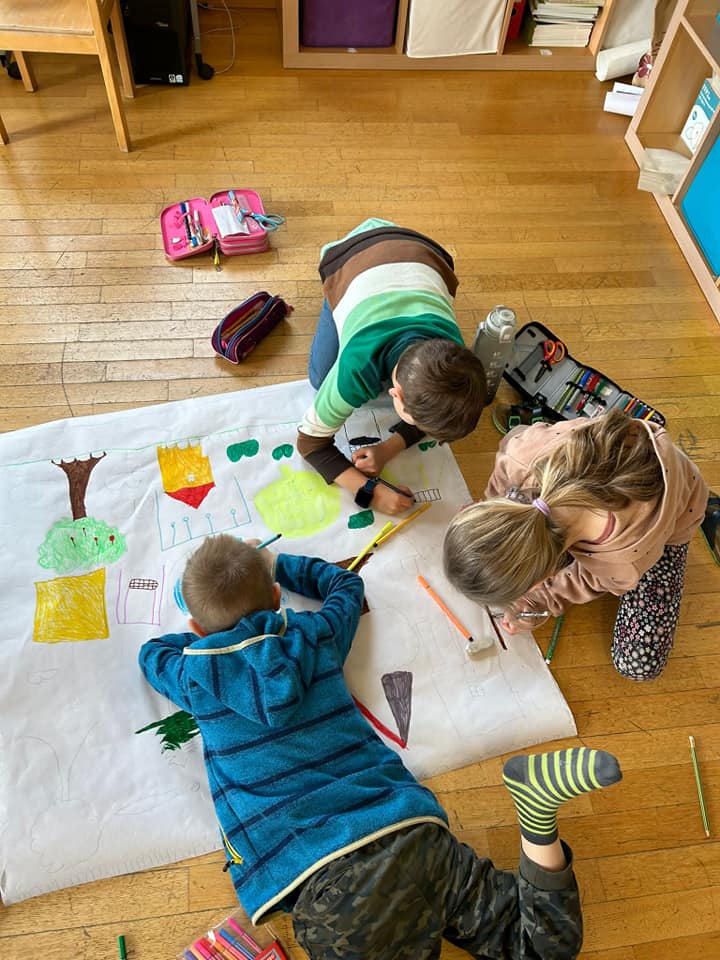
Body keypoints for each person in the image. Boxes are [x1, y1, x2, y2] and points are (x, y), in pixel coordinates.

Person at [139, 533, 623, 959]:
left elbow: (151, 654)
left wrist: (209, 632)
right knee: (539, 945)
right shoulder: (314, 636)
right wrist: (278, 564)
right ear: (277, 597)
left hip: (329, 880)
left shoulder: (194, 674)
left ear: (196, 630)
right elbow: (346, 586)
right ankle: (535, 811)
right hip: (404, 829)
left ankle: (538, 825)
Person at [443, 408, 709, 682]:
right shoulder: (520, 456)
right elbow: (508, 459)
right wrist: (493, 510)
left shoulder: (622, 562)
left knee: (638, 664)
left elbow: (589, 577)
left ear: (540, 581)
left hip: (677, 511)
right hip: (614, 469)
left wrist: (547, 598)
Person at [297, 217, 487, 516]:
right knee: (320, 379)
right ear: (395, 394)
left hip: (425, 252)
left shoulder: (457, 357)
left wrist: (389, 448)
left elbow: (435, 409)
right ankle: (338, 293)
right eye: (416, 421)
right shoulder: (357, 366)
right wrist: (368, 492)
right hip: (349, 256)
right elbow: (309, 443)